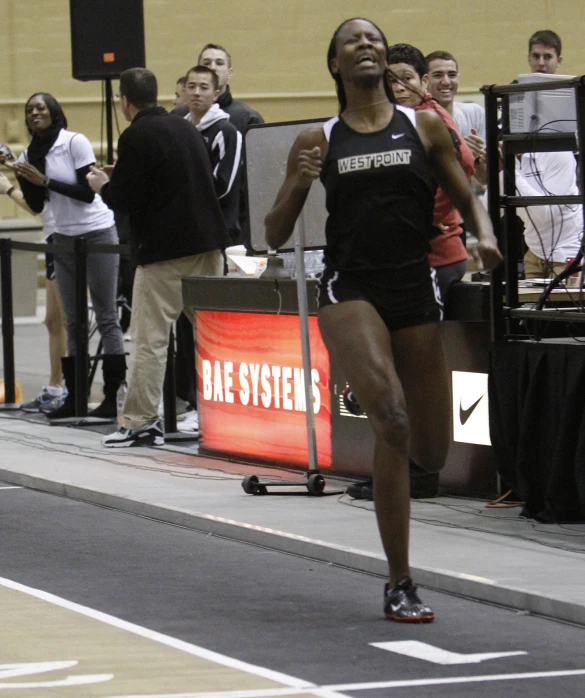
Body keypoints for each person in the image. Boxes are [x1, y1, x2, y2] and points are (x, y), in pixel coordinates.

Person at [265, 18, 501, 622]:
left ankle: (402, 532)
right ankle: (401, 580)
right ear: (335, 65)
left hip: (413, 288)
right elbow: (274, 230)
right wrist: (299, 182)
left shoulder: (422, 126)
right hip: (350, 289)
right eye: (352, 41)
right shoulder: (319, 138)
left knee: (431, 448)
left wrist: (486, 236)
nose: (366, 45)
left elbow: (467, 192)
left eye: (373, 37)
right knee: (391, 420)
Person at [87, 67, 231, 447]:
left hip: (165, 252)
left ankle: (140, 422)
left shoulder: (135, 135)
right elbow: (181, 180)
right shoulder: (184, 126)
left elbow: (126, 200)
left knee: (150, 340)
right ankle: (228, 417)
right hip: (209, 244)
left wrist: (105, 186)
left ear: (124, 101)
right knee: (212, 339)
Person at [12, 93, 125, 420]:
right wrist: (25, 178)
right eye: (29, 109)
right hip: (63, 236)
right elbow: (37, 206)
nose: (35, 113)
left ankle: (112, 396)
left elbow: (88, 194)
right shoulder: (27, 155)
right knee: (73, 320)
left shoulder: (73, 142)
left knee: (105, 315)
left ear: (55, 113)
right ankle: (75, 396)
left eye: (41, 108)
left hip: (97, 230)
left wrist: (44, 180)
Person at [514, 30, 581, 278]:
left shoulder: (573, 95)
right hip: (534, 244)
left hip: (566, 241)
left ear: (558, 60)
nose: (541, 63)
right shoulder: (516, 98)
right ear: (528, 57)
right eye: (536, 56)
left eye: (547, 57)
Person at [0, 172, 67, 412]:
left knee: (68, 320)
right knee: (52, 320)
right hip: (52, 240)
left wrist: (8, 189)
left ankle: (68, 388)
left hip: (64, 239)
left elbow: (39, 209)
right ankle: (55, 386)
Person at [184, 65, 243, 243]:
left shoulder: (226, 132)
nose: (196, 93)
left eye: (203, 87)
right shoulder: (181, 129)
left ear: (216, 94)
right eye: (191, 87)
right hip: (187, 230)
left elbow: (223, 187)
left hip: (219, 232)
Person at [425, 50, 487, 186]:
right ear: (424, 80)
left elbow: (484, 179)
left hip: (459, 202)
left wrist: (475, 159)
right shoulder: (416, 119)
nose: (446, 81)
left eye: (452, 75)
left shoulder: (474, 113)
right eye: (438, 75)